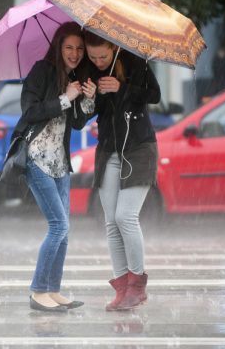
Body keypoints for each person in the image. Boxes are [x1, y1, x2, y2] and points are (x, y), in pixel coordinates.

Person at [81, 31, 161, 311]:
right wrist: (91, 98)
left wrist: (121, 87)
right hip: (108, 150)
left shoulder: (135, 59)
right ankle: (122, 285)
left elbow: (154, 95)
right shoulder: (89, 70)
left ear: (113, 45)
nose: (98, 61)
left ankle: (137, 285)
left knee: (125, 216)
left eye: (102, 56)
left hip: (139, 148)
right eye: (93, 57)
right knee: (110, 222)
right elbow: (88, 116)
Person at [19, 22, 94, 312]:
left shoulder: (74, 77)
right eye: (69, 48)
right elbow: (31, 111)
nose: (74, 53)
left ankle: (52, 289)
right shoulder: (42, 71)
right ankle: (38, 291)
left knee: (65, 229)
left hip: (60, 163)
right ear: (58, 47)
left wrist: (87, 99)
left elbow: (75, 122)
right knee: (58, 225)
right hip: (36, 159)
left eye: (79, 48)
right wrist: (65, 98)